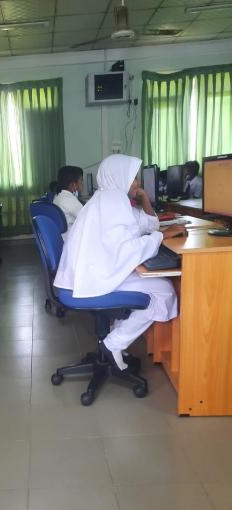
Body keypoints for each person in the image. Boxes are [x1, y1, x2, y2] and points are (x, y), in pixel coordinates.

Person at [54, 154, 187, 371]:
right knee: (165, 291)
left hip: (88, 273)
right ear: (120, 176)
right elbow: (128, 250)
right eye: (134, 178)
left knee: (155, 284)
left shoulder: (107, 198)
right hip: (93, 277)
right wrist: (161, 237)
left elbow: (148, 225)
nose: (137, 183)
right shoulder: (113, 202)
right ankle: (113, 343)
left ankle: (116, 339)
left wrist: (144, 200)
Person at [53, 166, 84, 238]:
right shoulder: (68, 200)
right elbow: (88, 218)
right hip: (71, 239)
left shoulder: (59, 196)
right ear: (73, 184)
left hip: (64, 237)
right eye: (81, 180)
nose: (82, 183)